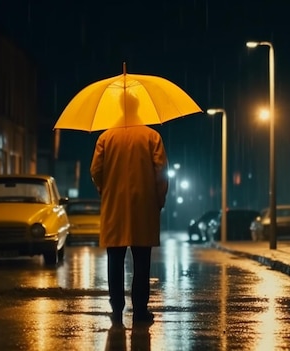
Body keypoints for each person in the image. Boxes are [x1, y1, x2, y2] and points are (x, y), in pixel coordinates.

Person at [90, 93, 169, 327]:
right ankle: (140, 310)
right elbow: (161, 172)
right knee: (142, 261)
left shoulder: (106, 137)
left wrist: (106, 188)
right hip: (143, 206)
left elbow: (96, 170)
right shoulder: (151, 136)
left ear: (119, 109)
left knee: (115, 260)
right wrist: (159, 199)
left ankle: (117, 307)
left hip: (114, 207)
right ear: (139, 108)